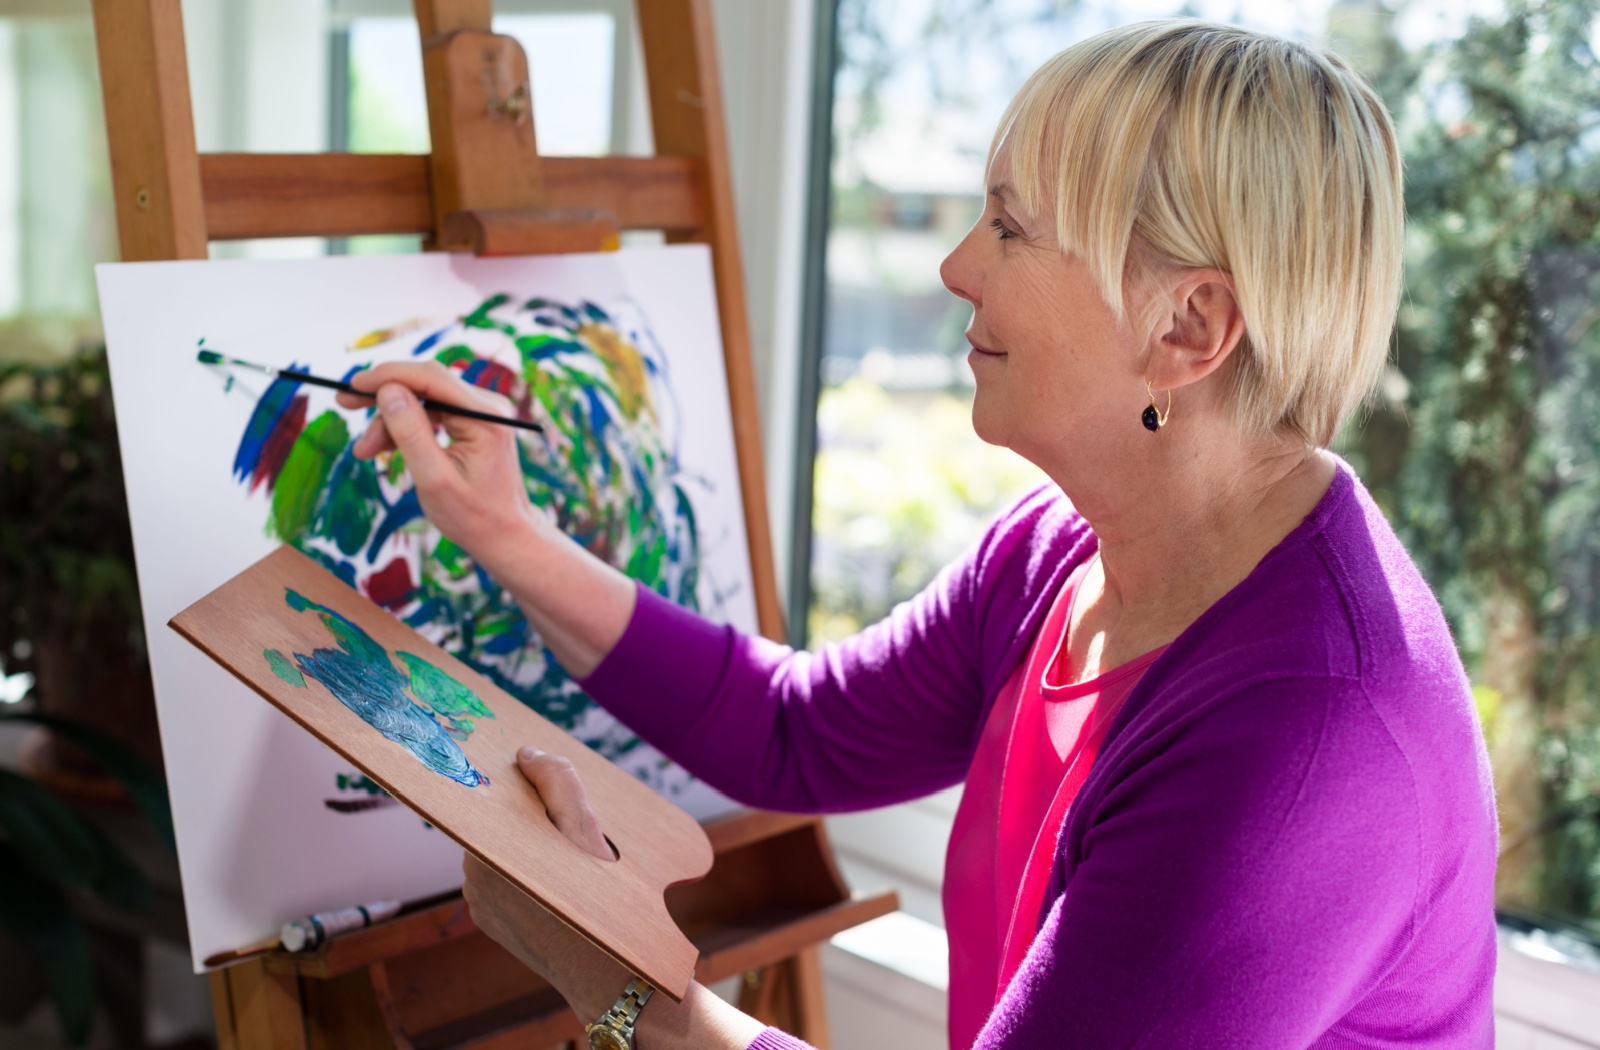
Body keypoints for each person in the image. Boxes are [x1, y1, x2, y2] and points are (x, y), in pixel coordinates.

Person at [340, 19, 1499, 1049]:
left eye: (1009, 227)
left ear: (1187, 327)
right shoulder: (1063, 547)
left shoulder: (1302, 739)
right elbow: (793, 732)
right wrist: (497, 527)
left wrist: (616, 978)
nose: (955, 268)